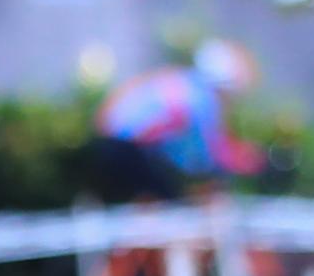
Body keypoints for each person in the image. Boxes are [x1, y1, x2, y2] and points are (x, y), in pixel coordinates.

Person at [91, 37, 266, 206]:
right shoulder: (204, 99)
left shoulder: (185, 80)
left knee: (159, 200)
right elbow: (206, 156)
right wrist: (243, 162)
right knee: (167, 206)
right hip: (128, 149)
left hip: (111, 145)